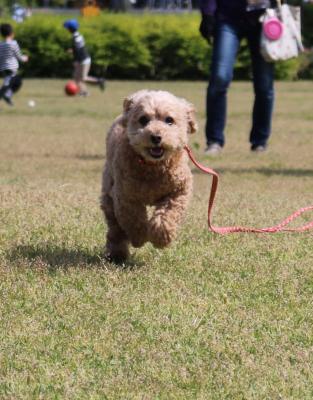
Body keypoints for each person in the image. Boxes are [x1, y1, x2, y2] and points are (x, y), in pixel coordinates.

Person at [199, 0, 275, 154]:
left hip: (265, 18)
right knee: (219, 78)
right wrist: (208, 13)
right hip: (228, 16)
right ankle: (214, 141)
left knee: (264, 85)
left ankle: (260, 142)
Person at [63, 19, 105, 97]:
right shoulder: (77, 36)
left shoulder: (76, 37)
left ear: (71, 29)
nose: (67, 29)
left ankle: (99, 81)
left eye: (68, 28)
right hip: (82, 59)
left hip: (83, 60)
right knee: (76, 77)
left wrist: (76, 61)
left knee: (83, 78)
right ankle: (83, 92)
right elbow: (78, 49)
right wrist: (73, 51)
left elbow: (79, 51)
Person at [0, 23, 28, 106]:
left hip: (3, 68)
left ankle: (7, 95)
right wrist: (25, 58)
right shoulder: (13, 44)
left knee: (17, 81)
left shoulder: (1, 44)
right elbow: (19, 56)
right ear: (12, 33)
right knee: (7, 85)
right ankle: (6, 94)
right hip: (11, 68)